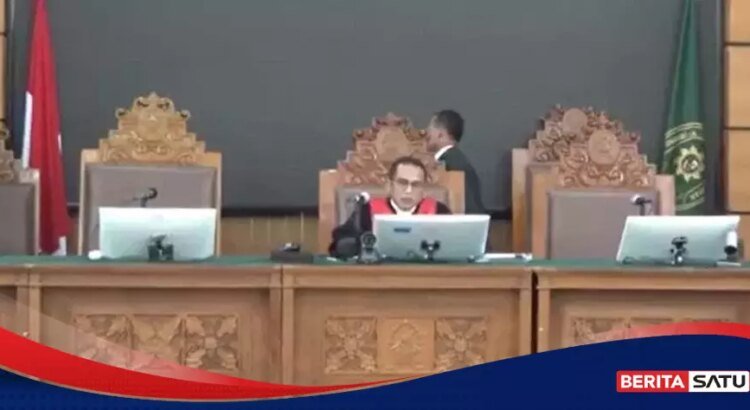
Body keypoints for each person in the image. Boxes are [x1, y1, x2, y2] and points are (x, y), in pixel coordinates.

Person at [329, 156, 451, 258]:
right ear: (389, 185)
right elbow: (342, 242)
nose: (408, 190)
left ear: (423, 190)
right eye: (402, 183)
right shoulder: (366, 210)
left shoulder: (439, 211)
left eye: (416, 184)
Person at [426, 109, 486, 214]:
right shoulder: (456, 158)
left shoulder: (448, 164)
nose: (426, 132)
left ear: (440, 134)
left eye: (430, 129)